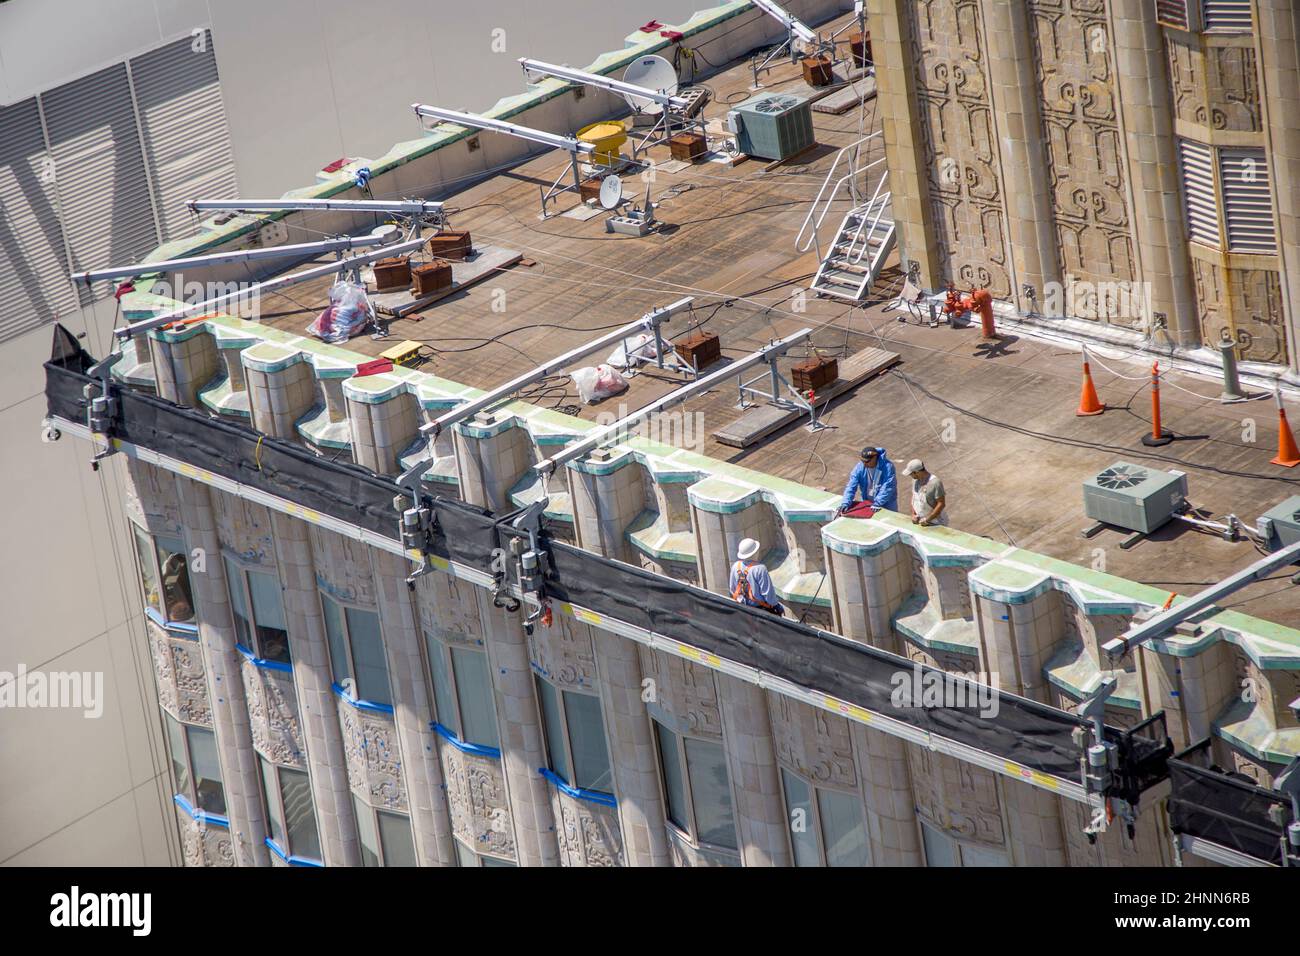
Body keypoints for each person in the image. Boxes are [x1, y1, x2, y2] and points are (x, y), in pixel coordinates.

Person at [729, 538, 784, 615]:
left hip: (743, 608)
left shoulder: (735, 566)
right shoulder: (760, 568)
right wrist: (776, 605)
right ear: (754, 553)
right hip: (760, 609)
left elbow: (732, 589)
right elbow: (768, 594)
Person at [838, 445, 897, 515]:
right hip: (868, 502)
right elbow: (851, 486)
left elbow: (888, 487)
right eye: (863, 461)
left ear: (875, 458)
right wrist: (845, 502)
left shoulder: (888, 467)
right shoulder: (860, 467)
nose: (864, 464)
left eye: (867, 461)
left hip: (886, 504)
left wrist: (878, 503)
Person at [904, 459, 947, 527]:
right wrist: (913, 514)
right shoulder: (915, 481)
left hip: (936, 522)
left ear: (917, 472)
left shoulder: (935, 483)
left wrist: (928, 519)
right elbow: (914, 497)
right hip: (921, 520)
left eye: (911, 474)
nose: (911, 476)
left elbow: (941, 504)